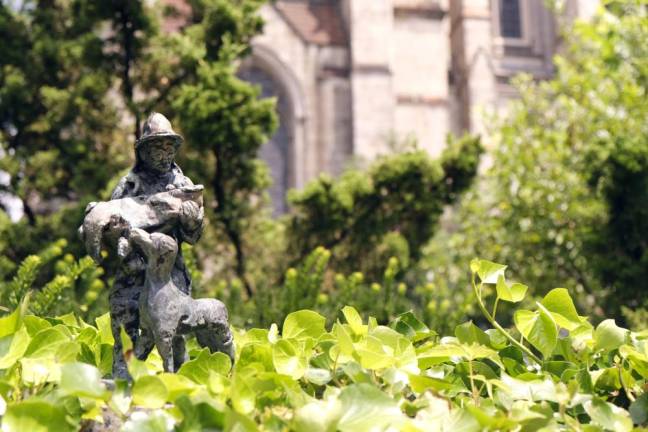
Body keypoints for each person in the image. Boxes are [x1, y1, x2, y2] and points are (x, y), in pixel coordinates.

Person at [108, 112, 203, 379]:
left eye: (168, 148)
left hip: (168, 269)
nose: (164, 154)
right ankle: (122, 371)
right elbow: (109, 228)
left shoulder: (184, 186)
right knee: (124, 313)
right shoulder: (128, 185)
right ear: (143, 151)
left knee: (173, 327)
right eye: (157, 148)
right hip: (133, 270)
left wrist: (192, 221)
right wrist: (119, 232)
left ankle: (180, 377)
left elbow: (194, 238)